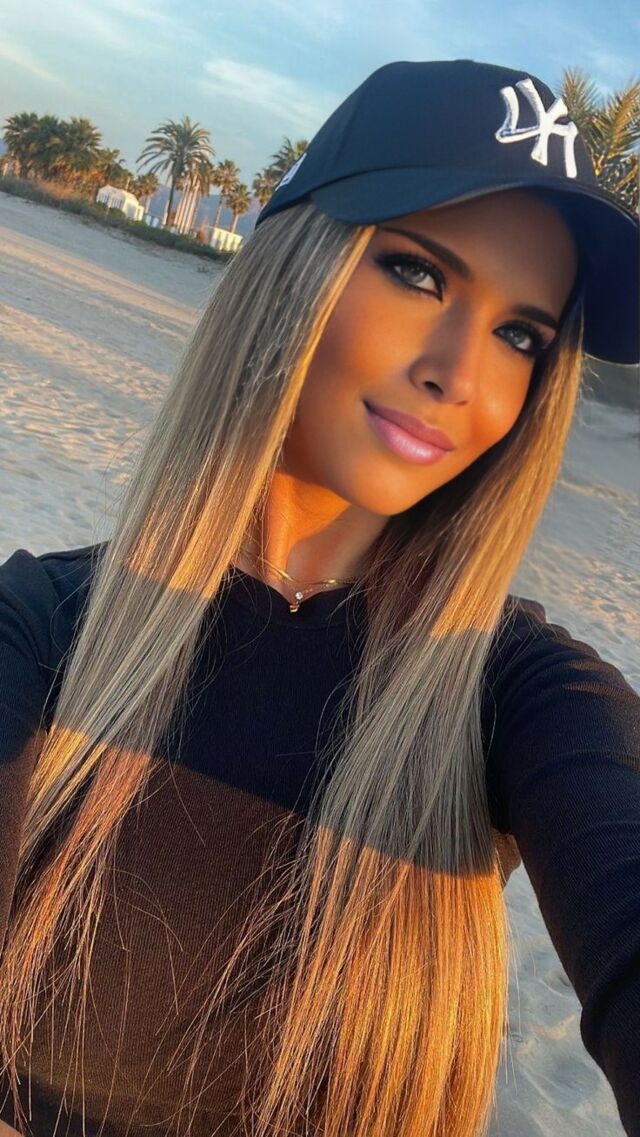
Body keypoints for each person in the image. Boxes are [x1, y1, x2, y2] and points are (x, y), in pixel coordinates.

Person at [0, 58, 638, 1137]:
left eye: (520, 334)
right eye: (418, 273)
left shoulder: (518, 695)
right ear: (295, 267)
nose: (460, 374)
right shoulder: (45, 625)